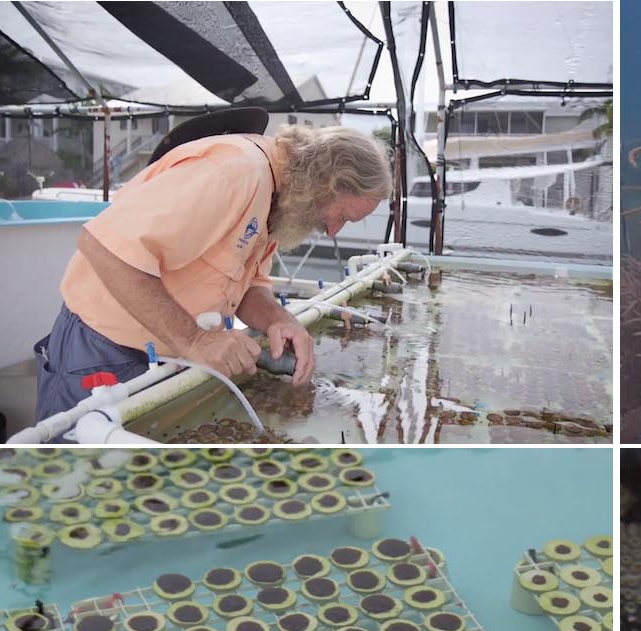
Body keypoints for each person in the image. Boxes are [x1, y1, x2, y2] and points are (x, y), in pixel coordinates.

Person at [34, 123, 391, 422]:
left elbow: (249, 284)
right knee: (77, 476)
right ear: (327, 182)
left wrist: (279, 320)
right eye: (342, 216)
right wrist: (195, 341)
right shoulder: (233, 172)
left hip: (164, 353)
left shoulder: (279, 198)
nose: (332, 232)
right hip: (103, 350)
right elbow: (106, 249)